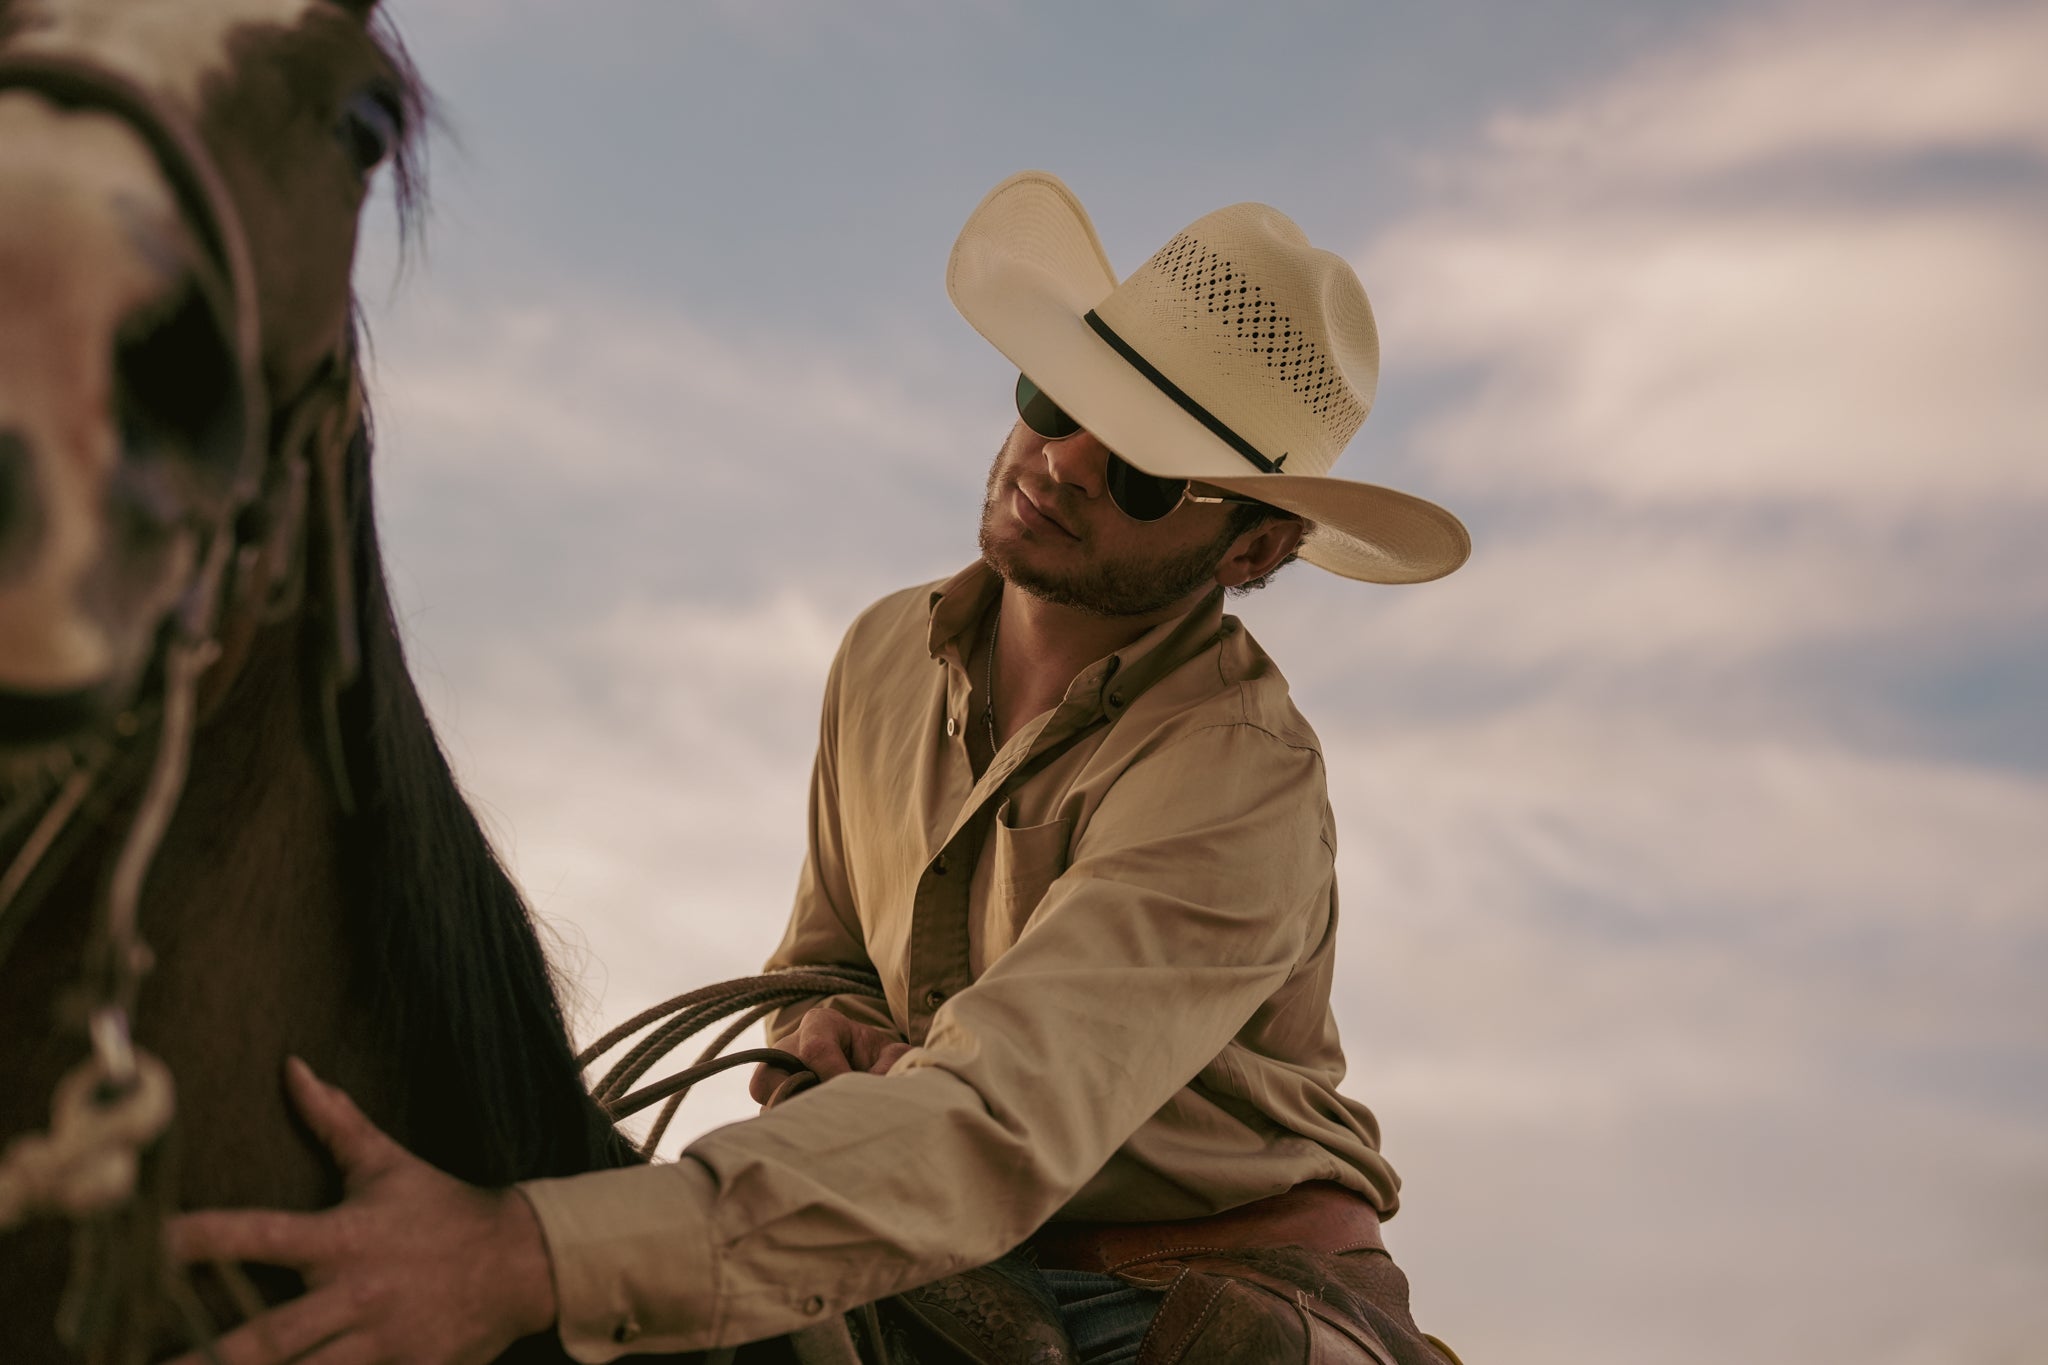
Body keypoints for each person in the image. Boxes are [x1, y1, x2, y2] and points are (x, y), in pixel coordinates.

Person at [168, 171, 1470, 1364]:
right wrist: (819, 1032)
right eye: (1060, 401)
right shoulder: (882, 657)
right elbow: (829, 962)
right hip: (945, 1253)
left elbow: (995, 1118)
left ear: (1250, 550)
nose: (1062, 463)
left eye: (1141, 472)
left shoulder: (1237, 778)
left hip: (1209, 1278)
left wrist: (522, 1252)